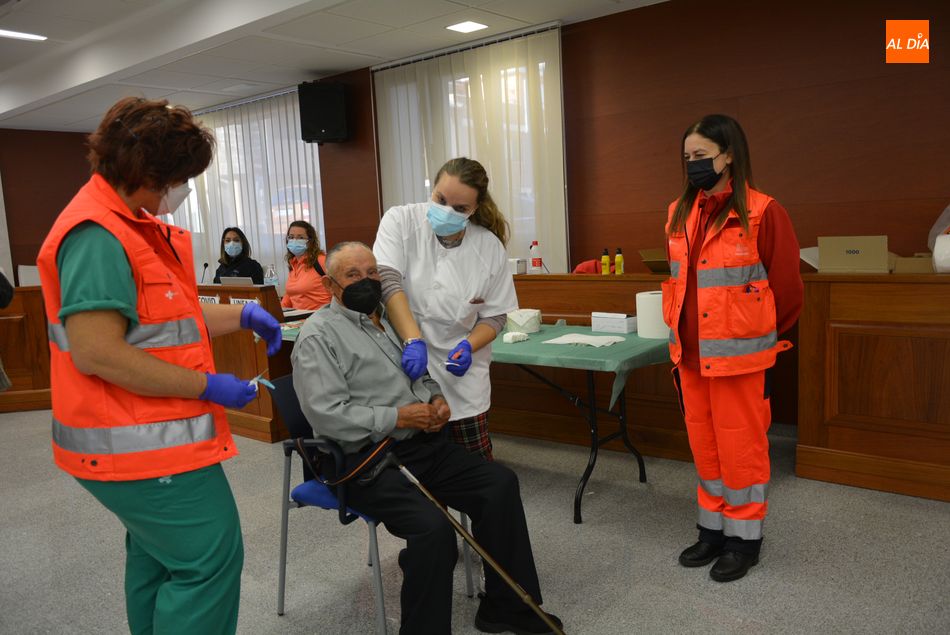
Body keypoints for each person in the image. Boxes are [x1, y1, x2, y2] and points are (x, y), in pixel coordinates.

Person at [35, 96, 283, 634]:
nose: (184, 190)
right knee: (207, 563)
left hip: (148, 436)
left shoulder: (130, 225)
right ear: (149, 172)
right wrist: (208, 385)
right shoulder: (97, 235)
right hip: (137, 442)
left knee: (158, 559)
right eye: (181, 178)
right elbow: (99, 351)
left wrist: (242, 314)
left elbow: (167, 320)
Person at [292, 242, 561, 635]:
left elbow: (419, 374)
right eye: (353, 275)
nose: (366, 282)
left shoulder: (389, 322)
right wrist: (398, 416)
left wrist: (435, 399)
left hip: (422, 444)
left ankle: (505, 607)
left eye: (372, 274)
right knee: (433, 531)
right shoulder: (319, 336)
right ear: (332, 285)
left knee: (499, 484)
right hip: (368, 461)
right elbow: (327, 416)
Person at [661, 114, 803, 582]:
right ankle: (713, 530)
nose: (693, 165)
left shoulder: (763, 211)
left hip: (739, 358)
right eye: (687, 158)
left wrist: (750, 335)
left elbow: (786, 291)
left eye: (701, 156)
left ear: (729, 155)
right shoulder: (679, 213)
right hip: (691, 356)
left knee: (741, 449)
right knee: (705, 448)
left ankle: (746, 539)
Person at [373, 157, 517, 461]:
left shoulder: (488, 247)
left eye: (460, 208)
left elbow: (495, 315)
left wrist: (468, 345)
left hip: (461, 380)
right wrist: (413, 340)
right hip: (402, 364)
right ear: (432, 189)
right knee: (413, 469)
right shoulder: (401, 221)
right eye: (440, 199)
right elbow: (387, 282)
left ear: (475, 209)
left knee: (475, 470)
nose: (446, 211)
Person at [281, 219, 331, 310]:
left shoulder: (321, 260)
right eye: (291, 237)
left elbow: (338, 289)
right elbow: (290, 295)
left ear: (310, 241)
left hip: (321, 317)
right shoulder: (293, 263)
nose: (294, 240)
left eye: (300, 238)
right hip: (297, 318)